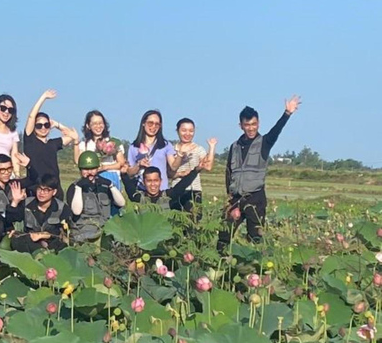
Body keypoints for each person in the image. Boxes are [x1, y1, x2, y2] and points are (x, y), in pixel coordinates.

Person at [217, 96, 302, 252]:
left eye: (254, 124)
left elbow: (276, 130)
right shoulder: (234, 146)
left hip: (255, 197)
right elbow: (228, 173)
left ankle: (255, 272)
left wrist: (287, 113)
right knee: (223, 236)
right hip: (235, 198)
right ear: (241, 126)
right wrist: (229, 199)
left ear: (259, 123)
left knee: (255, 238)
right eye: (247, 125)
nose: (251, 128)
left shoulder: (264, 142)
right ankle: (219, 267)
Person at [22, 88, 78, 191]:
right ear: (33, 127)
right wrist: (43, 97)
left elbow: (72, 135)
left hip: (55, 189)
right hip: (36, 188)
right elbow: (31, 116)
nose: (43, 128)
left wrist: (57, 124)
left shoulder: (53, 143)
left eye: (46, 125)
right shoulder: (30, 141)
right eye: (39, 125)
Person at [66, 151, 126, 244]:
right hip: (83, 235)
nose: (89, 172)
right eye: (85, 169)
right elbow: (76, 211)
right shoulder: (73, 188)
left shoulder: (105, 186)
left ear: (98, 169)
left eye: (93, 169)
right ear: (80, 170)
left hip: (104, 232)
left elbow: (121, 203)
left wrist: (110, 185)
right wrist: (79, 187)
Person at [11, 174, 72, 254]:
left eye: (46, 190)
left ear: (54, 192)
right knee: (17, 240)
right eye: (39, 189)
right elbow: (11, 219)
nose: (41, 193)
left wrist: (46, 235)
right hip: (31, 242)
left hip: (52, 243)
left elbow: (66, 234)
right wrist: (15, 201)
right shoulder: (27, 204)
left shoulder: (62, 208)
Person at [170, 118, 217, 217]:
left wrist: (212, 147)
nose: (187, 134)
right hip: (176, 190)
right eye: (184, 130)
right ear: (177, 131)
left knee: (194, 222)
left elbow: (208, 166)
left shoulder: (198, 149)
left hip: (194, 190)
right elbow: (170, 173)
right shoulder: (172, 149)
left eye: (191, 131)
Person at [125, 110, 183, 192]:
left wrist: (180, 155)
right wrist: (139, 165)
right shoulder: (134, 147)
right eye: (150, 123)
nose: (153, 127)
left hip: (161, 191)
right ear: (143, 123)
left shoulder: (166, 145)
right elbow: (129, 173)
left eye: (157, 124)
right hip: (141, 190)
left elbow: (173, 167)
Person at [122, 160, 211, 208]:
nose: (153, 184)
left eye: (155, 180)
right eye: (149, 181)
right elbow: (129, 188)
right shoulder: (138, 198)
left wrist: (196, 170)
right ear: (144, 182)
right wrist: (123, 174)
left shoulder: (168, 196)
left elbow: (182, 185)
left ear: (161, 181)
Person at [74, 110, 126, 191]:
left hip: (111, 176)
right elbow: (78, 161)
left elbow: (121, 163)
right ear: (88, 126)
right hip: (91, 177)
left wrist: (105, 167)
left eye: (100, 123)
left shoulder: (113, 142)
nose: (98, 126)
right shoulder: (84, 144)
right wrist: (75, 143)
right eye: (94, 123)